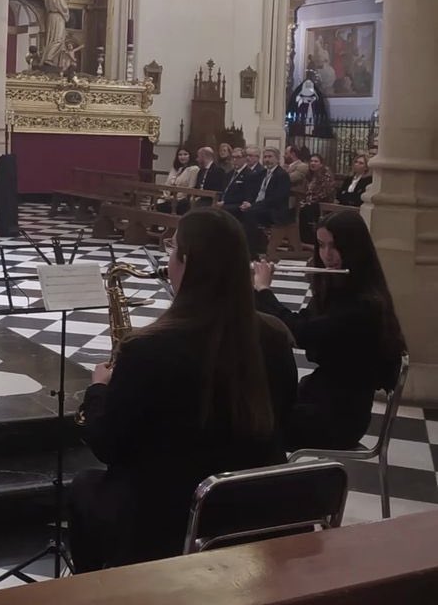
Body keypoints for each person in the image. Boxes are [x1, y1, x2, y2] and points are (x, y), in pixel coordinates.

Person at [68, 207, 298, 572]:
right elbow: (284, 420)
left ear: (186, 262)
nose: (168, 259)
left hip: (167, 521)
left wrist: (98, 390)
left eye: (172, 248)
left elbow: (108, 446)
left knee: (84, 486)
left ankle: (103, 596)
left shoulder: (147, 349)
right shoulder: (274, 338)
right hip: (253, 512)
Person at [253, 208, 406, 450]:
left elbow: (301, 332)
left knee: (255, 428)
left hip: (338, 417)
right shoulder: (339, 290)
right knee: (253, 410)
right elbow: (301, 321)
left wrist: (264, 292)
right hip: (320, 396)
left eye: (335, 246)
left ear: (354, 248)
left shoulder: (364, 304)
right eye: (322, 245)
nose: (327, 255)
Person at [236, 147, 291, 257]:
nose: (267, 160)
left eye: (270, 157)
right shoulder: (262, 173)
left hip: (275, 210)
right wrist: (248, 202)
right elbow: (253, 192)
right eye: (265, 157)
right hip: (260, 207)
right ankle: (245, 246)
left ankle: (251, 251)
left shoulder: (282, 175)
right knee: (240, 210)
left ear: (277, 159)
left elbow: (276, 199)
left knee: (250, 213)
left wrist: (253, 205)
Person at [299, 153, 337, 243]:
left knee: (305, 209)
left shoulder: (326, 174)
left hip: (323, 202)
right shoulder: (309, 174)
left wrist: (309, 201)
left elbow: (325, 192)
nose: (313, 163)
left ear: (321, 164)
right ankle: (300, 239)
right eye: (311, 161)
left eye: (316, 161)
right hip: (310, 201)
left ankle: (310, 240)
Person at [40, 0, 70, 68]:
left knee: (52, 38)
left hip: (51, 16)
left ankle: (50, 59)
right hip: (58, 17)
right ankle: (49, 58)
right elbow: (63, 7)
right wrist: (66, 10)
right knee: (58, 39)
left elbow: (47, 5)